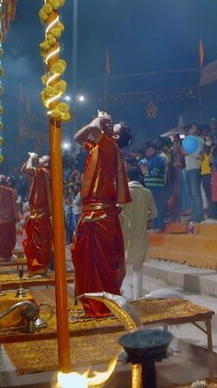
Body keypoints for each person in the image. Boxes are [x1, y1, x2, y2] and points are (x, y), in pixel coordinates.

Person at [73, 111, 132, 318]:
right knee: (85, 263)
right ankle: (91, 302)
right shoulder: (98, 147)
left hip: (100, 215)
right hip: (89, 211)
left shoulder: (110, 147)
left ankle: (104, 305)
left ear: (116, 136)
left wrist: (100, 119)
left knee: (100, 264)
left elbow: (94, 128)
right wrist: (97, 121)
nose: (108, 125)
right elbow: (78, 137)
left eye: (112, 126)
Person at [121, 166, 157, 300]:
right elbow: (154, 213)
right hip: (140, 232)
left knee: (122, 267)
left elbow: (118, 212)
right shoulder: (147, 192)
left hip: (125, 233)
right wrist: (144, 217)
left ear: (127, 177)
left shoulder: (124, 192)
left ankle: (125, 295)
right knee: (138, 268)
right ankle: (137, 297)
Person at [21, 152, 52, 276]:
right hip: (35, 213)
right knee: (33, 244)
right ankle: (35, 268)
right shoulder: (39, 173)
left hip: (41, 214)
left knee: (41, 244)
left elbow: (28, 169)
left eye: (42, 158)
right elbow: (23, 169)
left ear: (46, 163)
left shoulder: (42, 171)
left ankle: (40, 267)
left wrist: (31, 157)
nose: (40, 158)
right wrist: (31, 159)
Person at [142, 142, 168, 232]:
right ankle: (154, 226)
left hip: (157, 187)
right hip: (150, 187)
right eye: (147, 150)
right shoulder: (149, 160)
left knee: (158, 207)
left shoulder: (158, 159)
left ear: (154, 150)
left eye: (149, 150)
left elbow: (155, 172)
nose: (147, 152)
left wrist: (146, 171)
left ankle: (159, 226)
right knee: (152, 207)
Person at [184, 124, 204, 223]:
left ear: (198, 131)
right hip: (188, 168)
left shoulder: (199, 140)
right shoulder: (189, 140)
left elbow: (199, 155)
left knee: (195, 193)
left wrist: (188, 153)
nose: (190, 129)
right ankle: (194, 214)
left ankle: (199, 215)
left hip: (195, 168)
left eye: (193, 128)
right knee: (190, 193)